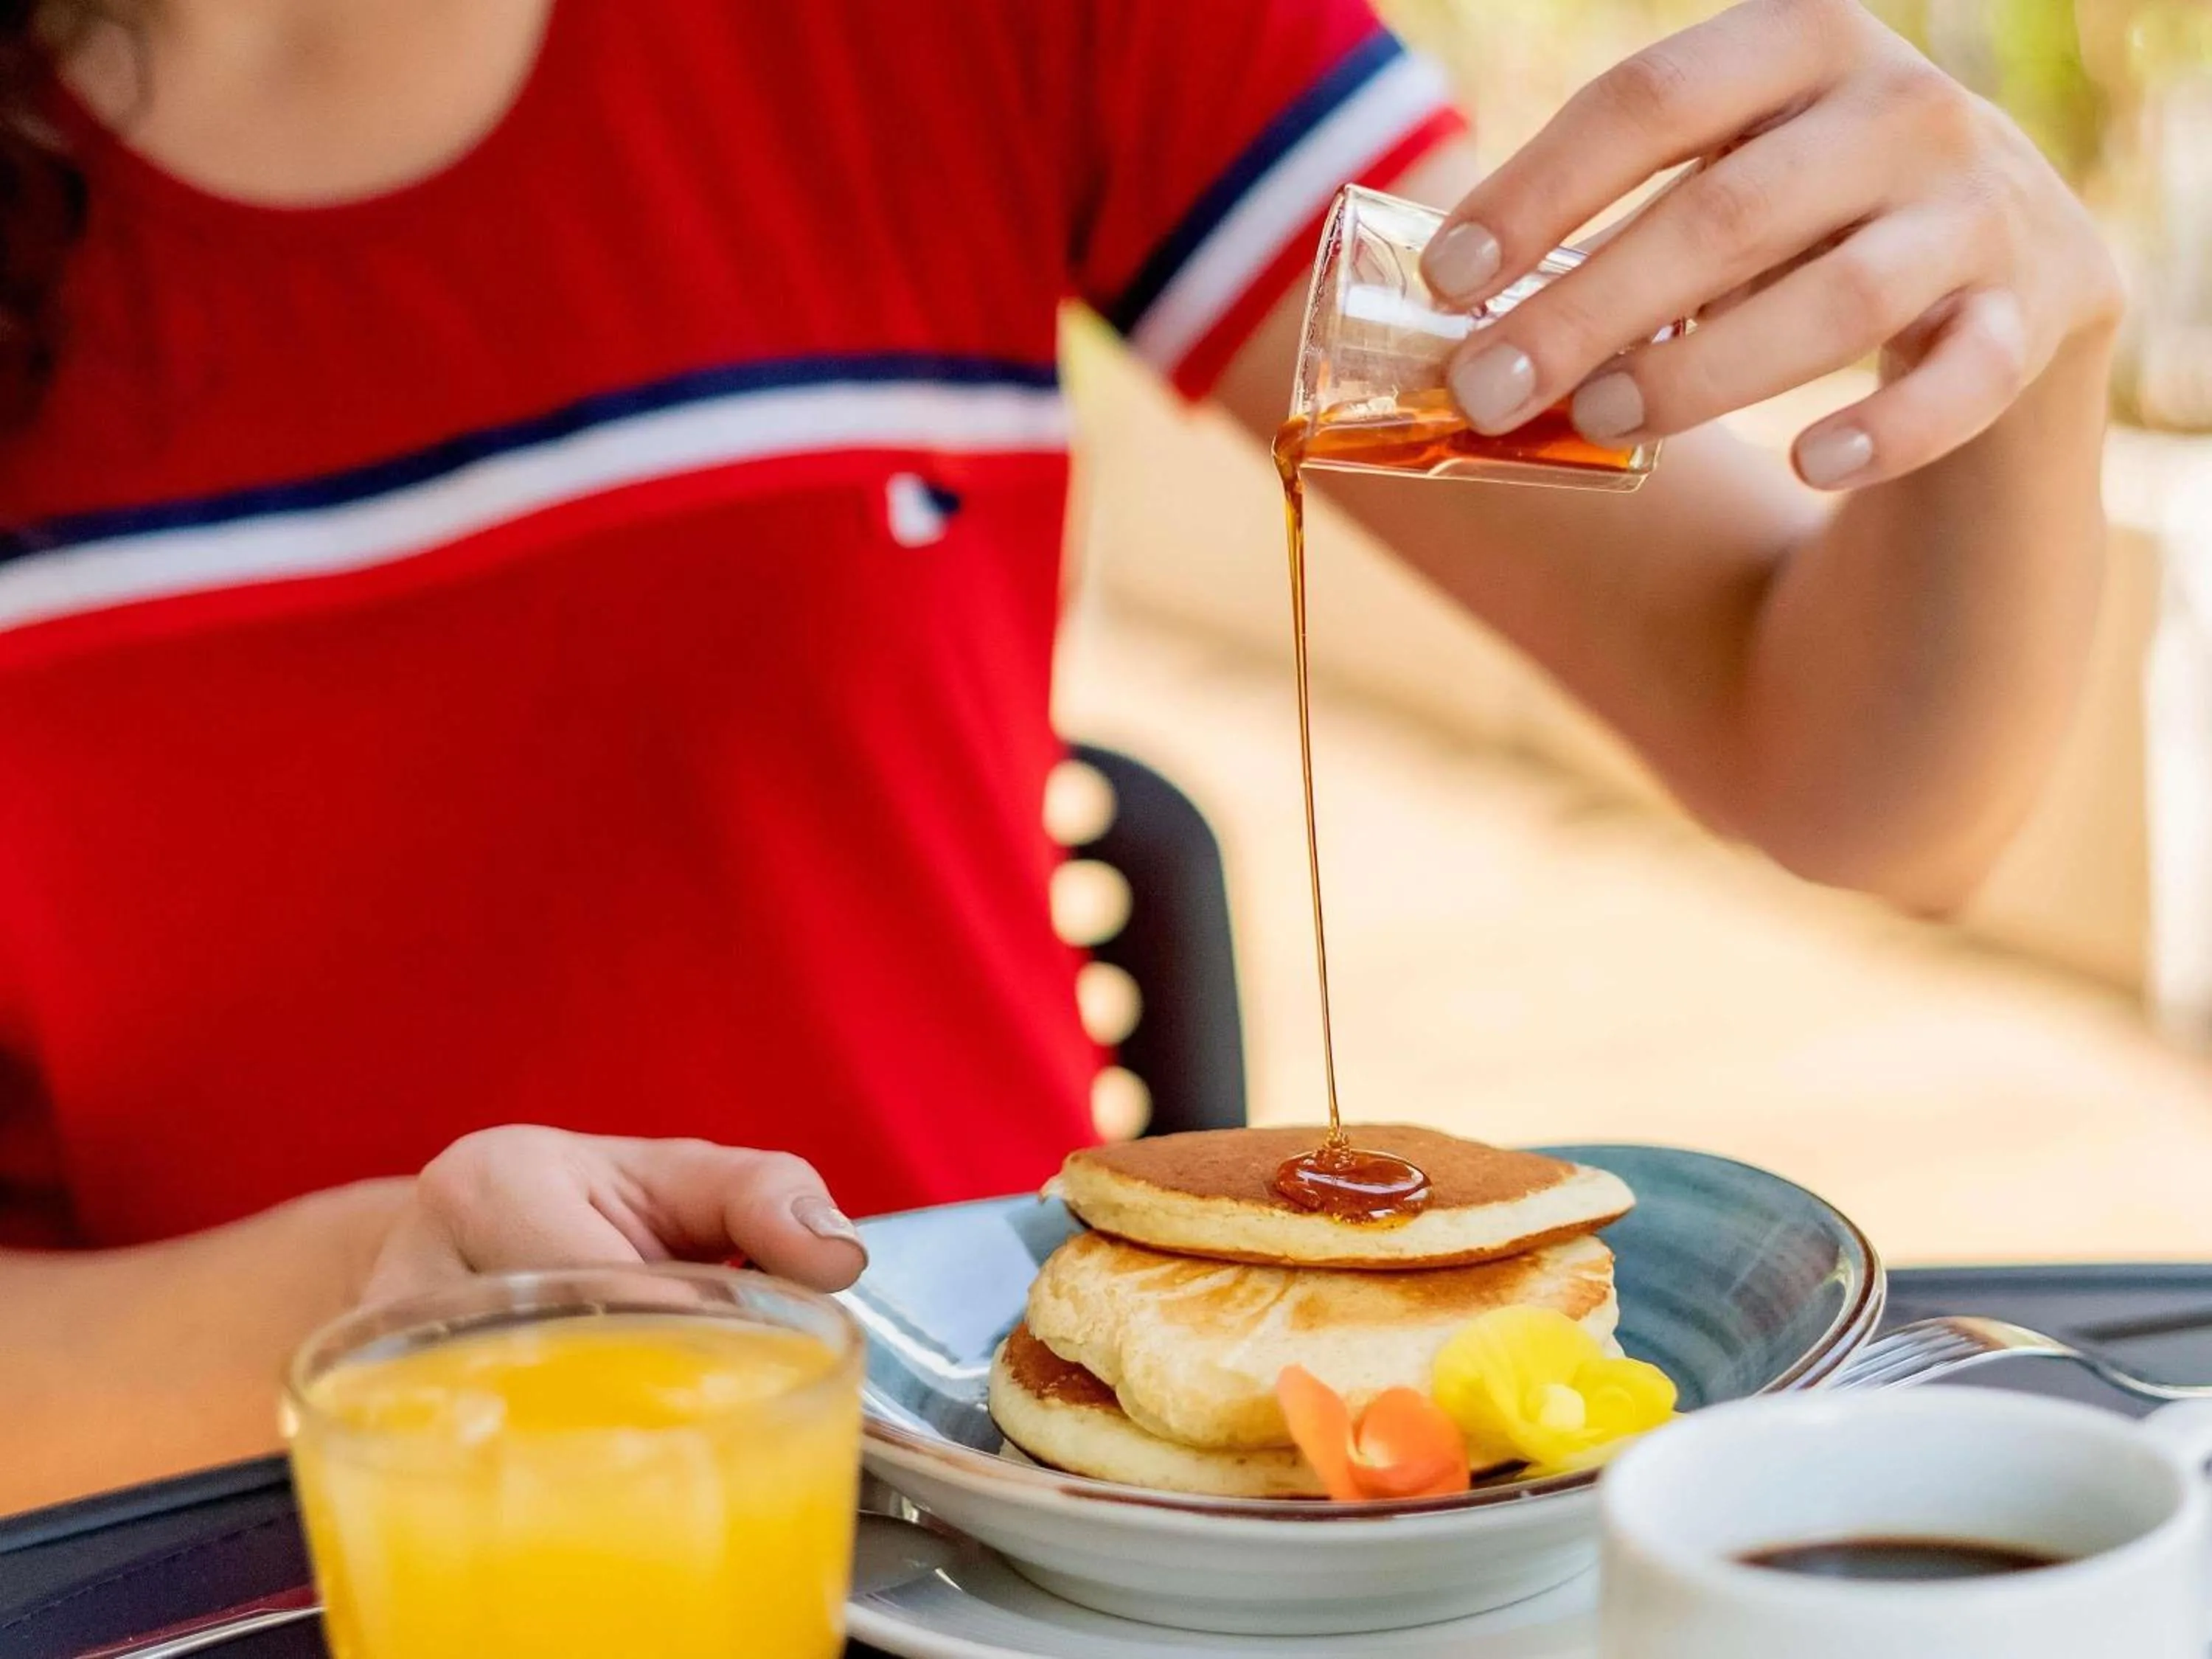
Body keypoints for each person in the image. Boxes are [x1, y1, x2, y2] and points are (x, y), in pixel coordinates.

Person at [0, 0, 2120, 1511]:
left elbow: (1849, 761)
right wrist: (365, 1298)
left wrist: (2013, 344)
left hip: (1030, 1551)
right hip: (224, 1561)